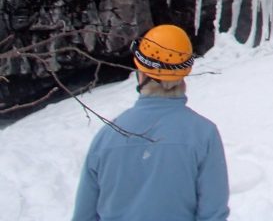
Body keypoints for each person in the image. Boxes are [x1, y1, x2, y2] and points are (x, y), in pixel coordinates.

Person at [71, 24, 230, 221]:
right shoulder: (204, 135)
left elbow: (83, 216)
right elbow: (213, 215)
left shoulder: (106, 137)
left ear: (142, 72)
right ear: (184, 74)